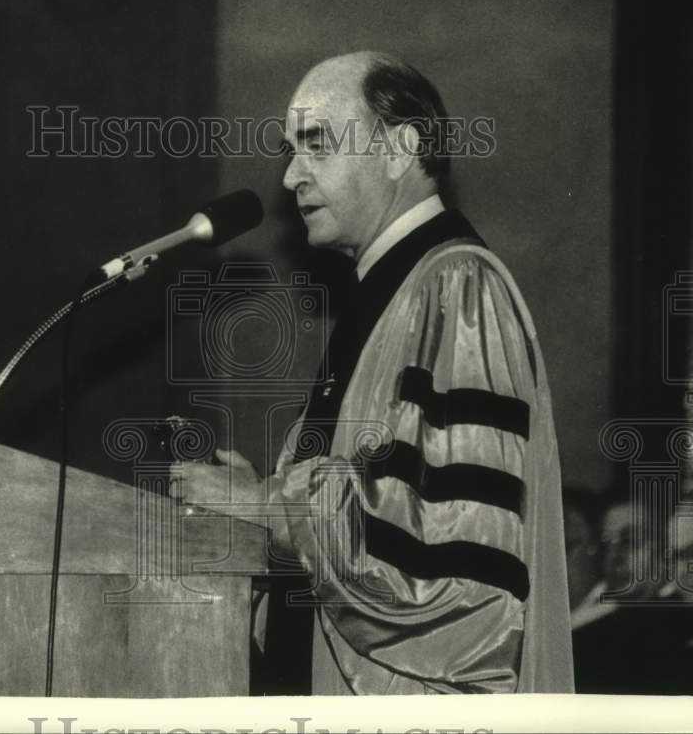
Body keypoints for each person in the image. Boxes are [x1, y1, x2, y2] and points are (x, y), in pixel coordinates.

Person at [170, 52, 574, 694]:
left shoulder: (458, 289)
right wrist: (264, 512)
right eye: (289, 150)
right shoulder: (390, 291)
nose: (291, 176)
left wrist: (265, 506)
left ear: (399, 148)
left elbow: (451, 565)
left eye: (316, 144)